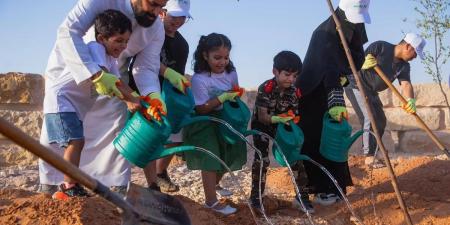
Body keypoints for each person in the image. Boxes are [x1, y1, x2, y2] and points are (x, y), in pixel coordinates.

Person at [38, 0, 188, 194]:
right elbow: (68, 31)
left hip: (114, 69)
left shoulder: (155, 28)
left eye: (162, 6)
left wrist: (152, 97)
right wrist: (95, 73)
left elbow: (146, 67)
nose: (157, 12)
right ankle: (54, 185)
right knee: (64, 134)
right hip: (73, 64)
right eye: (153, 4)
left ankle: (111, 188)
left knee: (115, 125)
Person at [41, 9, 137, 197]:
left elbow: (119, 84)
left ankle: (67, 187)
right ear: (102, 38)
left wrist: (138, 100)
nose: (123, 46)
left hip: (71, 106)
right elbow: (105, 78)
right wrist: (130, 100)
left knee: (76, 142)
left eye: (126, 41)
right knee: (75, 142)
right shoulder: (96, 48)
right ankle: (68, 187)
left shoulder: (110, 58)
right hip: (61, 101)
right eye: (118, 40)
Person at [295, 0, 371, 206]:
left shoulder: (354, 25)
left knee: (335, 139)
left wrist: (346, 74)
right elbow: (327, 67)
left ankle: (334, 187)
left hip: (332, 87)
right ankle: (317, 191)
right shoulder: (324, 34)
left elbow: (357, 55)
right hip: (312, 94)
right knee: (316, 140)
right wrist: (336, 99)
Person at [182, 33, 246, 215]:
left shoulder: (231, 73)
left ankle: (215, 183)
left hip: (224, 120)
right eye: (217, 58)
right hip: (203, 122)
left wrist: (235, 94)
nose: (222, 62)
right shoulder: (199, 79)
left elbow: (236, 91)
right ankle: (211, 201)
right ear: (205, 56)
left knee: (230, 154)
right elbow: (201, 108)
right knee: (210, 157)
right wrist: (222, 97)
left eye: (226, 58)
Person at [344, 33, 426, 167]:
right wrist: (363, 63)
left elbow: (405, 84)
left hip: (371, 91)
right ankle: (369, 157)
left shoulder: (404, 66)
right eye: (415, 53)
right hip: (356, 84)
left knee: (380, 119)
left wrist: (410, 100)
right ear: (408, 46)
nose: (415, 57)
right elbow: (357, 61)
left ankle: (375, 152)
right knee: (369, 117)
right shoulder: (380, 47)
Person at [248, 51, 314, 213]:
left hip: (282, 127)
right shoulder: (266, 88)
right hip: (262, 126)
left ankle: (301, 197)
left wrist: (292, 120)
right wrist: (278, 118)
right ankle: (255, 198)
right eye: (287, 74)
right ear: (275, 72)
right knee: (262, 159)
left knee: (296, 158)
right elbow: (263, 117)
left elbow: (294, 114)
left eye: (295, 76)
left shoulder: (293, 92)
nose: (291, 79)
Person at [151, 0, 192, 193]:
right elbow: (145, 62)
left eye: (182, 17)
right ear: (162, 12)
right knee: (148, 137)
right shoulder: (150, 33)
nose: (177, 21)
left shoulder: (182, 45)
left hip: (170, 97)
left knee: (175, 137)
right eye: (174, 16)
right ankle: (148, 182)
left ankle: (160, 173)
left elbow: (179, 74)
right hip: (147, 93)